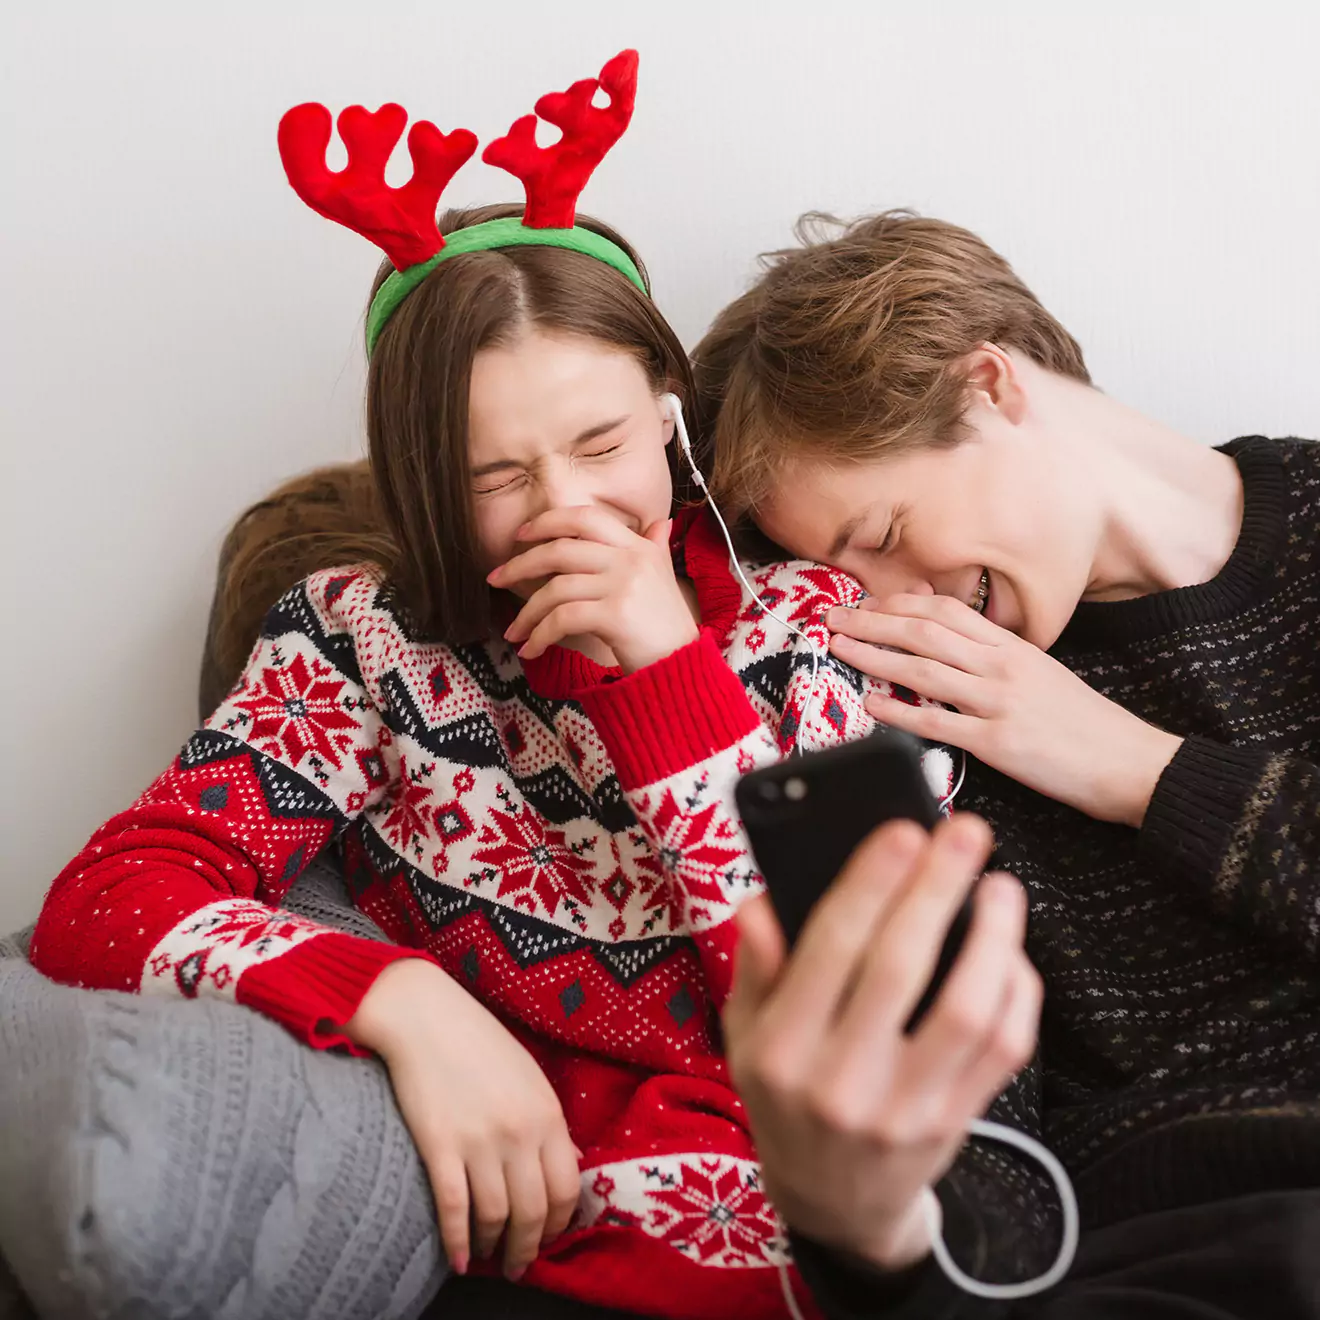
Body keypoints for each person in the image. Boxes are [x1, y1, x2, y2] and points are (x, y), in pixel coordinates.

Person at [26, 59, 973, 1320]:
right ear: (419, 479)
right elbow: (103, 901)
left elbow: (843, 1015)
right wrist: (396, 999)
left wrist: (668, 675)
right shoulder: (361, 643)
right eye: (497, 474)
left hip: (773, 1218)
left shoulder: (815, 627)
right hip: (487, 1207)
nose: (568, 511)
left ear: (669, 417)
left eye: (601, 446)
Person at [696, 210, 1320, 1317]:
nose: (902, 609)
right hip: (1156, 1255)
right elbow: (999, 1185)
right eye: (849, 582)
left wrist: (1143, 772)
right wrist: (877, 1219)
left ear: (988, 384)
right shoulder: (912, 722)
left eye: (883, 532)